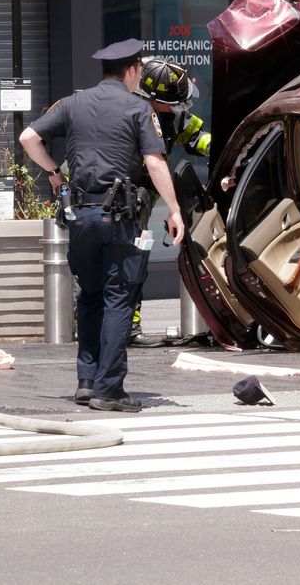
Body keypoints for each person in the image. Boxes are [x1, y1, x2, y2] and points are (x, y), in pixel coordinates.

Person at [19, 39, 186, 412]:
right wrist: (174, 210)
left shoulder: (72, 102)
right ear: (132, 70)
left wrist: (54, 172)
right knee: (118, 298)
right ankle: (109, 390)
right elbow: (155, 162)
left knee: (90, 296)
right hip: (120, 219)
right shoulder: (138, 109)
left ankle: (86, 380)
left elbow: (28, 138)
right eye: (140, 69)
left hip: (80, 218)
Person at [127, 55, 210, 345]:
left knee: (134, 262)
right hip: (106, 201)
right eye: (172, 102)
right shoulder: (121, 113)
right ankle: (90, 326)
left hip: (138, 203)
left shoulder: (173, 117)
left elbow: (198, 139)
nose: (177, 107)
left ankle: (128, 325)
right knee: (101, 267)